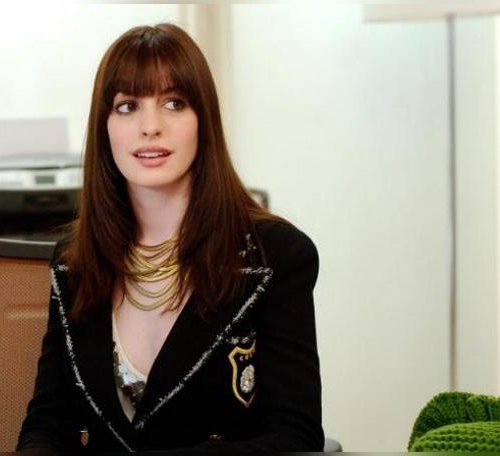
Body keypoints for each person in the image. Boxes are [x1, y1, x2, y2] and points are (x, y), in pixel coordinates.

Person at [17, 23, 323, 452]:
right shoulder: (75, 260)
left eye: (174, 103)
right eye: (127, 106)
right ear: (105, 126)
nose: (150, 127)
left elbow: (295, 436)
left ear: (203, 121)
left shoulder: (275, 256)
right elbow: (47, 425)